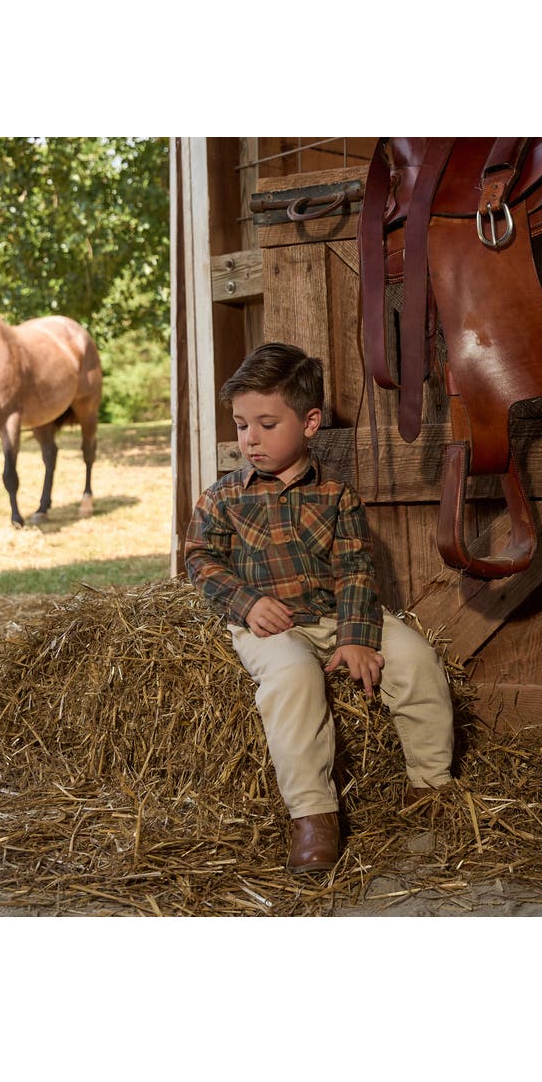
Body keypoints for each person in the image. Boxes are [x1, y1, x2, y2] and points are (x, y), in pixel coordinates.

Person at [184, 342, 454, 875]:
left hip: (335, 616)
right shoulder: (221, 498)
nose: (250, 439)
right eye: (241, 426)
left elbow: (356, 571)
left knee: (418, 661)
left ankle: (433, 791)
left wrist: (357, 635)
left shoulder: (337, 495)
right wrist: (248, 602)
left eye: (265, 423)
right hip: (268, 626)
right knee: (293, 678)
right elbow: (200, 560)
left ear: (309, 424)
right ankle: (313, 816)